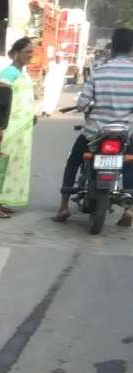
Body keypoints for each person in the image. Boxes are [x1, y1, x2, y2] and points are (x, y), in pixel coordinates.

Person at [55, 27, 133, 227]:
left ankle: (63, 205)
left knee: (73, 161)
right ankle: (129, 209)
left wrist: (89, 108)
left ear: (112, 48)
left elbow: (82, 104)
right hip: (124, 133)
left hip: (94, 133)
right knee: (130, 161)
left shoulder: (99, 72)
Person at [0, 37, 37, 219]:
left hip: (22, 129)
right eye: (27, 52)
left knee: (13, 165)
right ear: (15, 53)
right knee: (1, 165)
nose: (31, 55)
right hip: (9, 127)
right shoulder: (9, 72)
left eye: (32, 52)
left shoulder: (22, 72)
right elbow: (0, 100)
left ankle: (1, 200)